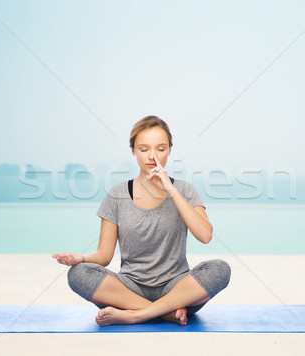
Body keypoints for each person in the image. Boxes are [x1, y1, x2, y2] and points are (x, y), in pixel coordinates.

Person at [52, 115, 231, 326]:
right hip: (129, 288)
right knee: (78, 274)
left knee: (220, 269)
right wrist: (80, 258)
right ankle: (165, 313)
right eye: (144, 149)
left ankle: (136, 315)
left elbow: (205, 235)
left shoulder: (185, 190)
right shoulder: (116, 195)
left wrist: (171, 190)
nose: (152, 157)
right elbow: (104, 255)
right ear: (133, 151)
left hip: (177, 289)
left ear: (170, 151)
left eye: (161, 149)